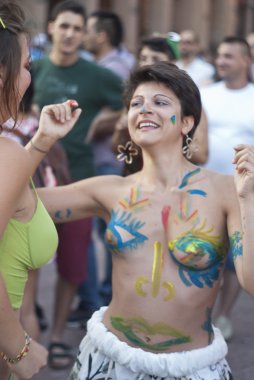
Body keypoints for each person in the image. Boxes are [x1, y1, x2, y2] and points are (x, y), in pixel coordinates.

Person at [32, 61, 254, 379]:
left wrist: (248, 198)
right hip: (109, 362)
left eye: (160, 102)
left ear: (187, 122)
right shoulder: (110, 190)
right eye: (137, 103)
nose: (145, 109)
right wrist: (42, 141)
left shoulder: (226, 191)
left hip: (193, 367)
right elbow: (16, 202)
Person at [32, 0, 123, 369]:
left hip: (80, 179)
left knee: (72, 264)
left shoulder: (96, 75)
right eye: (64, 26)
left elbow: (131, 100)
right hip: (34, 181)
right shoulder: (34, 69)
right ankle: (26, 333)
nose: (70, 34)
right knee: (28, 260)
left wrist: (102, 124)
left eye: (76, 28)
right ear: (52, 27)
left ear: (84, 33)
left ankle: (55, 335)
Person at [0, 1, 81, 379]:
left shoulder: (13, 155)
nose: (30, 78)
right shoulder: (6, 154)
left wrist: (42, 141)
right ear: (3, 75)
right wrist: (18, 346)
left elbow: (16, 196)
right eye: (28, 66)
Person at [200, 36, 254, 341]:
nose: (221, 61)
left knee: (235, 259)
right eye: (219, 55)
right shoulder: (207, 94)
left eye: (229, 56)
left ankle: (225, 314)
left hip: (240, 192)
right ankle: (202, 312)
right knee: (206, 254)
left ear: (246, 61)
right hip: (204, 187)